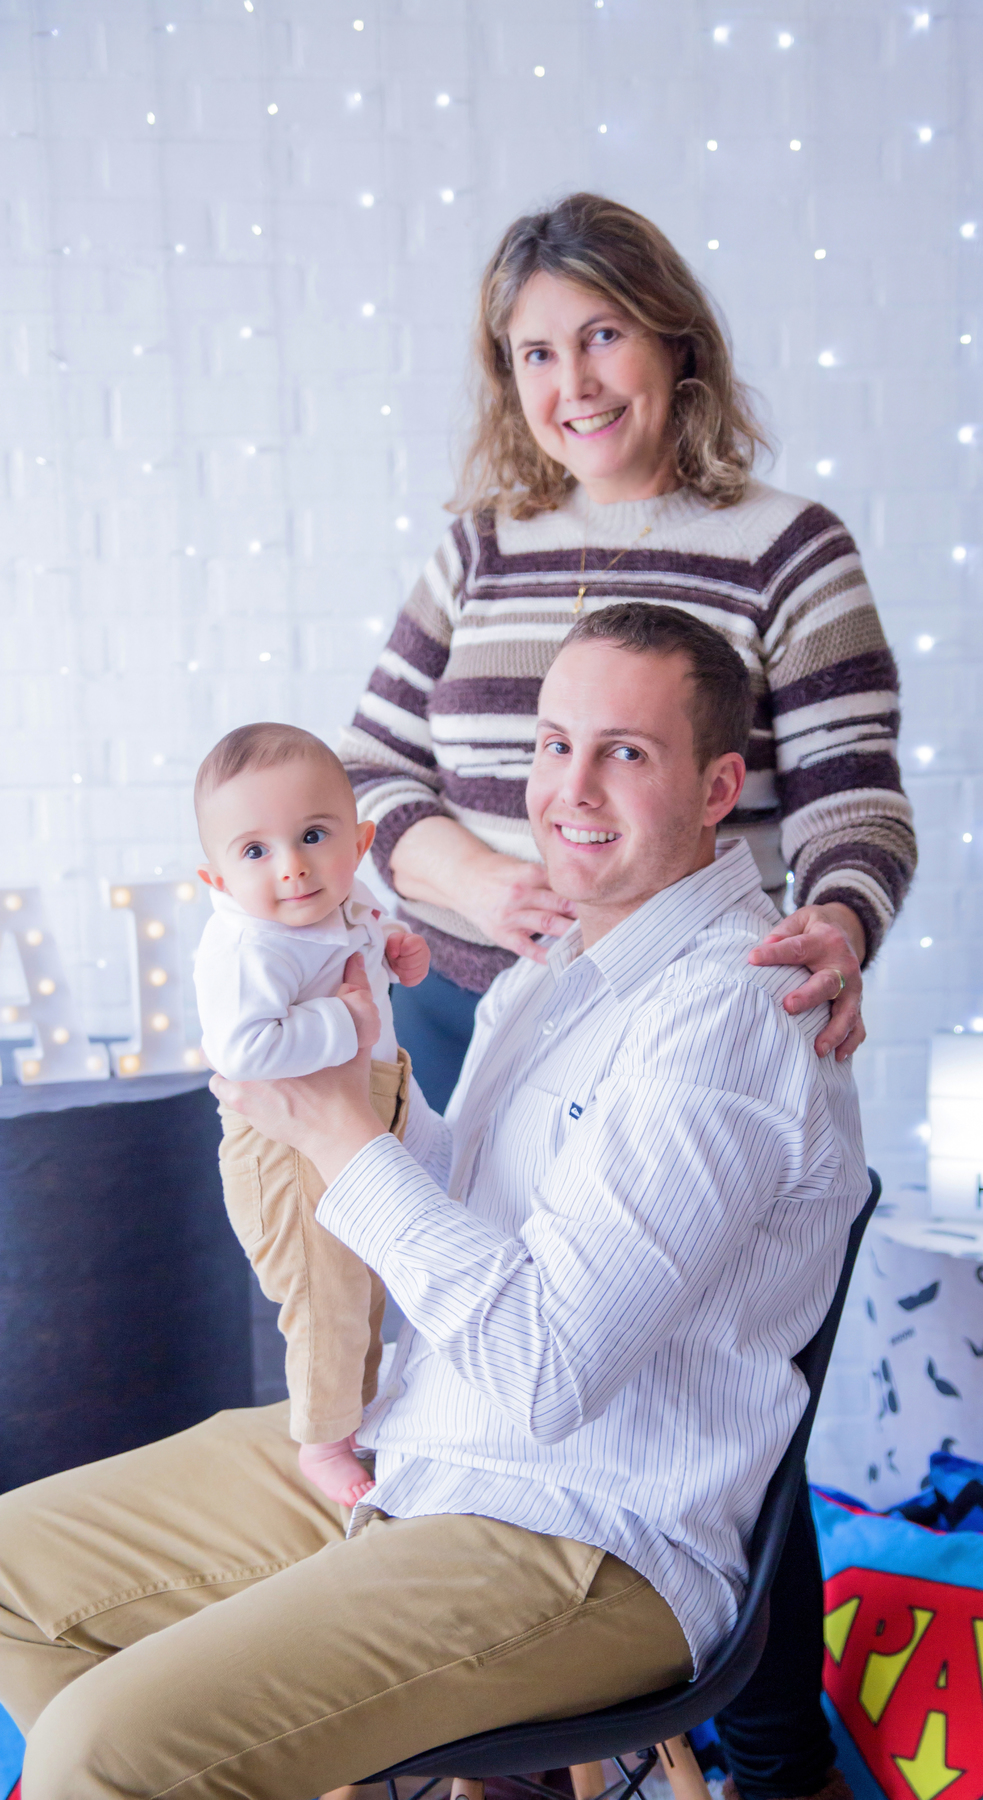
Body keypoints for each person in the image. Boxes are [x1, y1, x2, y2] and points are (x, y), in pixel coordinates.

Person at [0, 605, 867, 1800]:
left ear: (719, 787)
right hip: (417, 1448)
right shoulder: (549, 976)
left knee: (104, 1748)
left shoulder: (730, 1007)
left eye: (624, 751)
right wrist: (367, 1093)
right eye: (554, 744)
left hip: (582, 1535)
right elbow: (467, 1203)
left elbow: (546, 1371)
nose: (571, 788)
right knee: (13, 1577)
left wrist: (338, 1129)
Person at [338, 190, 915, 1800]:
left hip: (675, 1027)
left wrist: (842, 923)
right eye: (533, 353)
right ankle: (503, 1747)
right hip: (474, 1018)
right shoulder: (476, 549)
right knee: (478, 1403)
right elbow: (371, 772)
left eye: (601, 335)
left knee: (687, 1429)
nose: (572, 383)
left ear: (673, 340)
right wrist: (479, 885)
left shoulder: (784, 547)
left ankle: (775, 1761)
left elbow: (856, 791)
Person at [193, 722, 430, 1507]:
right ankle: (322, 1439)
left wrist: (395, 946)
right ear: (218, 878)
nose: (292, 866)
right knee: (325, 1294)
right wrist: (345, 1023)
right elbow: (242, 1049)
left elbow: (363, 935)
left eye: (313, 836)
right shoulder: (248, 949)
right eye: (255, 851)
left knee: (366, 1281)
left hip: (364, 1112)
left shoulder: (343, 896)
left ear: (359, 843)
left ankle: (357, 1414)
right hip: (283, 1149)